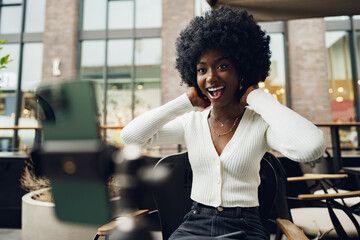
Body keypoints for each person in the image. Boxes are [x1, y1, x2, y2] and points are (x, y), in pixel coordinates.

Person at [120, 6, 325, 240]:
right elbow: (130, 137)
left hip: (245, 227)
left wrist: (257, 97)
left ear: (242, 70)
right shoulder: (192, 123)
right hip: (194, 224)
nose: (211, 77)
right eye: (201, 69)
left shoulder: (259, 125)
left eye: (222, 66)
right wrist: (185, 101)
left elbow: (312, 147)